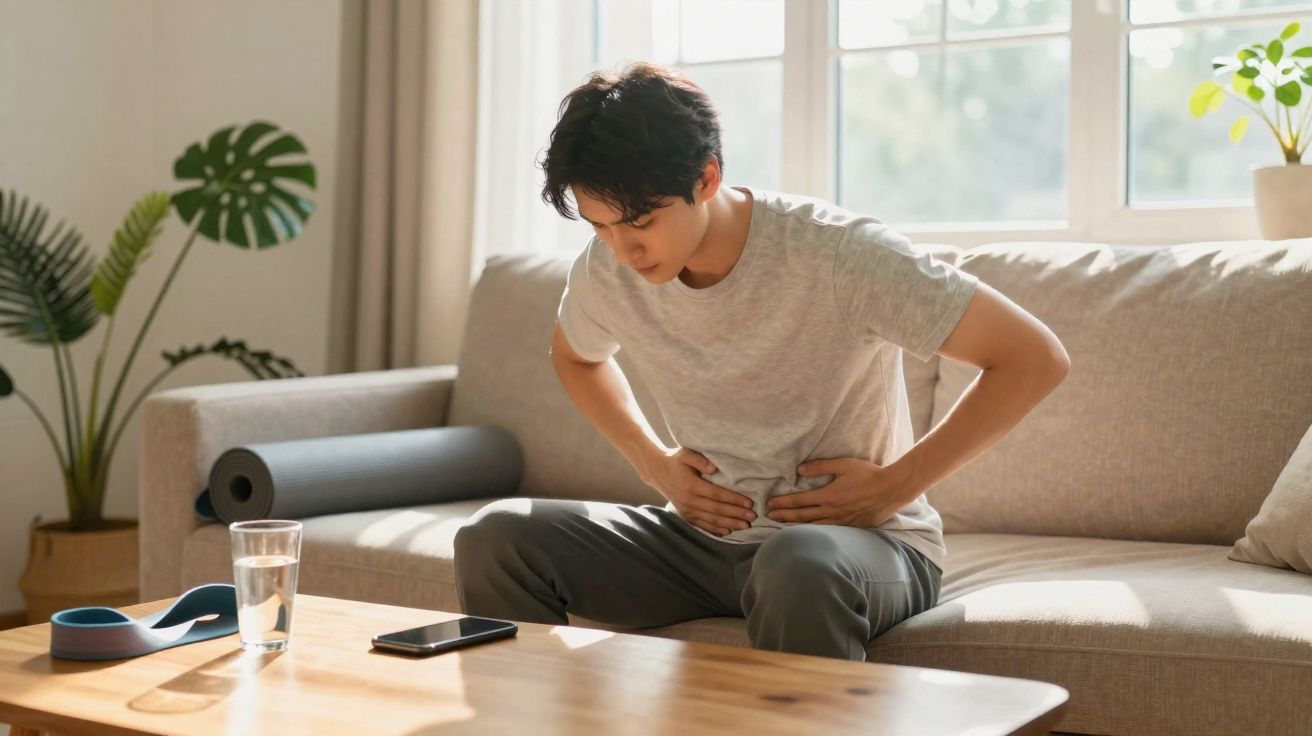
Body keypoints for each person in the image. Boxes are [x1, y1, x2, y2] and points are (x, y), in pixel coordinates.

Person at [453, 61, 1070, 661]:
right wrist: (655, 466)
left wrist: (895, 486)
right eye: (599, 226)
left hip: (856, 548)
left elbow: (1033, 357)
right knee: (497, 537)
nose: (623, 249)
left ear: (707, 178)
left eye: (640, 221)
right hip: (701, 543)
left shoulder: (838, 255)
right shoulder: (609, 266)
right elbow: (575, 359)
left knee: (795, 563)